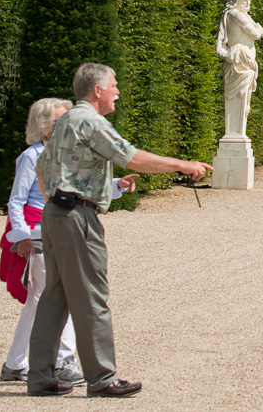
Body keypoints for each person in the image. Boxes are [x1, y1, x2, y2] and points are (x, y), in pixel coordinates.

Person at [30, 62, 210, 398]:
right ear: (97, 90)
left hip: (55, 214)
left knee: (55, 298)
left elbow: (41, 168)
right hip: (75, 217)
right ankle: (101, 378)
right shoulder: (89, 120)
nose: (117, 91)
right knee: (90, 297)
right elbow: (132, 157)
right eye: (113, 85)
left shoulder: (65, 120)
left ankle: (40, 376)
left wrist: (55, 200)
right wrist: (183, 165)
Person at [1, 98, 81, 384]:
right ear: (45, 126)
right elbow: (16, 201)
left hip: (59, 228)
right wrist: (22, 237)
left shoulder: (66, 154)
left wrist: (116, 187)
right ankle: (62, 360)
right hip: (38, 231)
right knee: (61, 295)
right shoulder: (32, 156)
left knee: (38, 300)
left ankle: (15, 363)